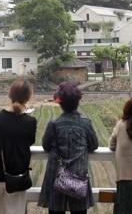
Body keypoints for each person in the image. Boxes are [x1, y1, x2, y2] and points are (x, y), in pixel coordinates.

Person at [38, 82, 99, 214]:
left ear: (60, 103)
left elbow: (45, 146)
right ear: (78, 101)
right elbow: (94, 145)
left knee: (55, 210)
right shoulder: (85, 123)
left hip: (57, 176)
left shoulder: (53, 124)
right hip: (78, 177)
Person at [0, 78, 37, 214]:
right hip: (16, 175)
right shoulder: (30, 122)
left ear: (10, 95)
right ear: (28, 97)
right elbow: (29, 141)